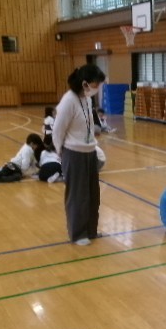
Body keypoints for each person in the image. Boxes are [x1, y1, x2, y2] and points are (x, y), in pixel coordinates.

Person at [52, 64, 107, 246]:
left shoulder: (87, 99)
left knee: (93, 195)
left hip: (90, 152)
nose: (97, 87)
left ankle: (91, 230)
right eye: (96, 84)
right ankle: (78, 233)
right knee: (78, 195)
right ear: (85, 83)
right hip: (73, 153)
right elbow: (58, 130)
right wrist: (61, 152)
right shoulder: (68, 101)